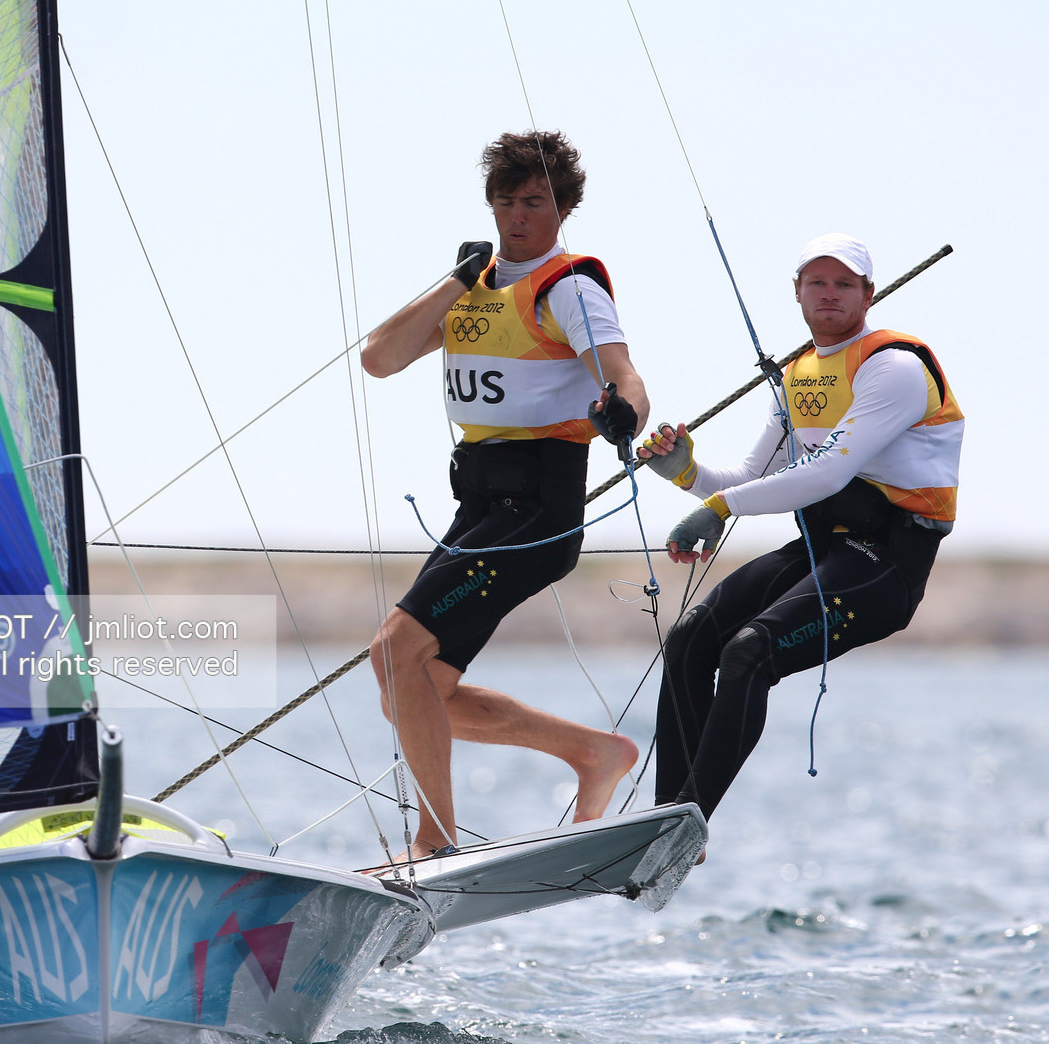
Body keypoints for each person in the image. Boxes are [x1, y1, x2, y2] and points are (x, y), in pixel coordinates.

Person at [360, 130, 647, 864]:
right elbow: (379, 359)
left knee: (396, 651)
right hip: (479, 509)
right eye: (506, 201)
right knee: (411, 687)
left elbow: (626, 379)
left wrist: (625, 413)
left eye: (535, 202)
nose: (519, 215)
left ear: (563, 207)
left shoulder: (567, 287)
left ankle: (433, 839)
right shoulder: (474, 288)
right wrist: (456, 282)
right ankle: (591, 753)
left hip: (540, 510)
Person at [638, 232, 963, 825]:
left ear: (868, 294)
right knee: (690, 639)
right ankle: (662, 821)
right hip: (822, 548)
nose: (830, 294)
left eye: (845, 284)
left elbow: (826, 474)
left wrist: (719, 507)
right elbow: (755, 473)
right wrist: (686, 472)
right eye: (818, 281)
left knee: (749, 651)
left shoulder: (894, 368)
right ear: (797, 293)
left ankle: (687, 819)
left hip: (886, 563)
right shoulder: (799, 374)